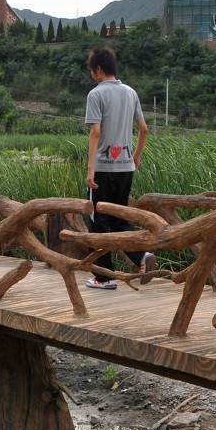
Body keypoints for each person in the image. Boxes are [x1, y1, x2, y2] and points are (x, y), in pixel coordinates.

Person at [83, 46, 153, 290]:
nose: (93, 75)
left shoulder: (96, 94)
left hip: (103, 169)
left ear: (99, 69)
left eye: (92, 71)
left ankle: (104, 277)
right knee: (121, 218)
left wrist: (90, 170)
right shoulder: (131, 93)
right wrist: (136, 156)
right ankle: (141, 257)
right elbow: (144, 129)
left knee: (98, 221)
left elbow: (95, 132)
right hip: (125, 168)